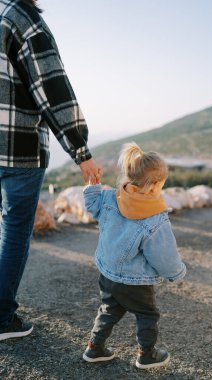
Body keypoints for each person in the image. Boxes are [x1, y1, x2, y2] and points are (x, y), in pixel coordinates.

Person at [0, 0, 101, 341]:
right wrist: (81, 151)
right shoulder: (23, 19)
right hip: (18, 150)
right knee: (13, 230)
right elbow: (53, 89)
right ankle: (1, 318)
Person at [82, 142, 186, 370]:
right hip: (135, 282)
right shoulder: (155, 219)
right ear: (155, 185)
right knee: (147, 314)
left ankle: (94, 347)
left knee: (108, 310)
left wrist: (93, 186)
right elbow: (164, 257)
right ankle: (147, 355)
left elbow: (91, 204)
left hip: (107, 273)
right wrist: (177, 273)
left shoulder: (110, 198)